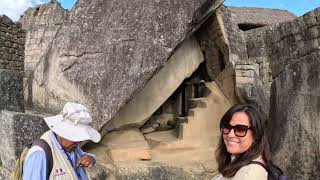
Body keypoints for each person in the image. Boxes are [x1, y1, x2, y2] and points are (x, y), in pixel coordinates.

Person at [23, 102, 101, 180]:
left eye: (80, 140)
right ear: (62, 132)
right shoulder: (39, 155)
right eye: (75, 139)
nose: (78, 144)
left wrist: (91, 158)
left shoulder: (72, 146)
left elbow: (84, 155)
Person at [212, 103, 271, 180]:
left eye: (240, 129)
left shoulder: (251, 173)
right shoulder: (235, 161)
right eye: (227, 127)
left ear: (256, 135)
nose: (230, 134)